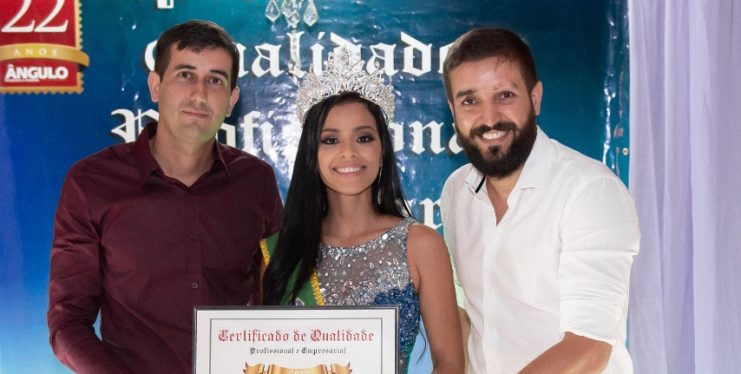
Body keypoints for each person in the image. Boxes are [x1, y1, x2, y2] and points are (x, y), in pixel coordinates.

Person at [47, 20, 282, 373]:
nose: (199, 94)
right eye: (185, 75)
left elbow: (279, 303)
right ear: (156, 86)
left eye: (215, 80)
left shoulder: (256, 182)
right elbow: (67, 323)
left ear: (232, 100)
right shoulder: (91, 183)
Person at [440, 27, 640, 373]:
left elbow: (589, 347)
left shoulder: (589, 191)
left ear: (535, 98)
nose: (489, 118)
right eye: (470, 101)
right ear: (453, 110)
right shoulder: (457, 191)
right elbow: (468, 315)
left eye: (504, 95)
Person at [261, 49, 464, 374]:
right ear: (312, 154)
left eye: (364, 137)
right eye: (330, 140)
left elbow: (450, 365)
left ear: (382, 150)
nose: (348, 152)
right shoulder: (280, 253)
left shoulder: (420, 245)